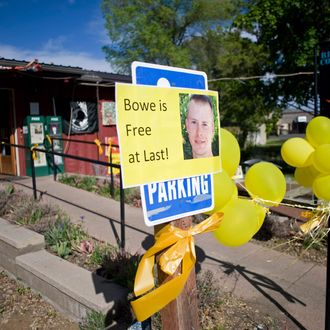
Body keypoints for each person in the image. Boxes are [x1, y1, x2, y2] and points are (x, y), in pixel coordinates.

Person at [185, 94, 215, 158]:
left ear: (212, 128)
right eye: (194, 122)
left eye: (204, 124)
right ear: (187, 126)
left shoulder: (224, 167)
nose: (199, 133)